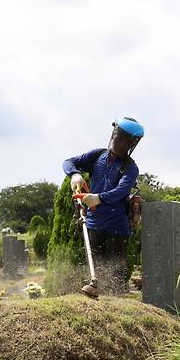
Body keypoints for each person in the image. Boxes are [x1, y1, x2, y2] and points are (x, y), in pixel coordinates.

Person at [62, 117, 144, 297]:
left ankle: (117, 305)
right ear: (113, 134)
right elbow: (68, 162)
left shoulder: (130, 168)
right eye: (117, 137)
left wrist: (98, 198)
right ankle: (94, 300)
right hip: (93, 225)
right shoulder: (97, 155)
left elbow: (121, 191)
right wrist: (75, 174)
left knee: (115, 274)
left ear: (131, 144)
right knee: (94, 266)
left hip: (117, 229)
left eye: (125, 140)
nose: (119, 143)